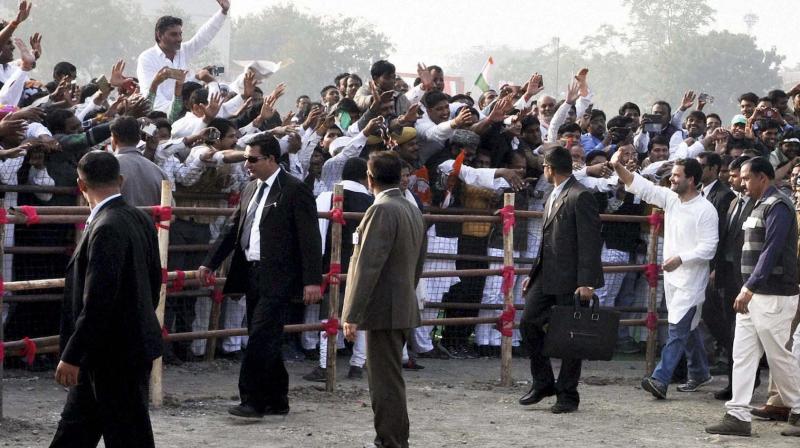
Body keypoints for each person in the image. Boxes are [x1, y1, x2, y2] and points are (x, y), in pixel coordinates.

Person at [199, 134, 322, 419]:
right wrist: (209, 263)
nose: (247, 165)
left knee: (260, 338)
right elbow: (233, 230)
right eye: (245, 158)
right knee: (265, 336)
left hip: (280, 276)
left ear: (271, 158)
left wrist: (312, 280)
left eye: (252, 159)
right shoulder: (250, 189)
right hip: (252, 273)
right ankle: (277, 399)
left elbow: (309, 238)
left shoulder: (294, 189)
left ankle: (252, 400)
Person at [50, 151, 163, 447]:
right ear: (121, 180)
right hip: (120, 347)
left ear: (80, 185)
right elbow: (153, 283)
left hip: (110, 353)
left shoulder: (106, 226)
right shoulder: (140, 218)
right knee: (76, 431)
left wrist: (73, 354)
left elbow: (99, 300)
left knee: (125, 435)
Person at [610, 152, 718, 399]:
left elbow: (709, 247)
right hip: (672, 279)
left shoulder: (706, 210)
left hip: (691, 280)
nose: (671, 179)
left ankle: (660, 379)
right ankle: (700, 372)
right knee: (686, 327)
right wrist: (617, 166)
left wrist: (681, 258)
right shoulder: (671, 199)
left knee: (677, 329)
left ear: (691, 180)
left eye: (677, 176)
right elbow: (643, 187)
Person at [706, 157, 800, 437]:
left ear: (763, 177)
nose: (742, 183)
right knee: (743, 354)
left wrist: (750, 287)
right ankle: (737, 414)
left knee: (778, 356)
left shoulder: (779, 205)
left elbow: (771, 250)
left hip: (772, 293)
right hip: (753, 293)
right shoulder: (758, 205)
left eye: (746, 178)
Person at [341, 151, 426, 448]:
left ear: (370, 178)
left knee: (384, 383)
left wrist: (351, 313)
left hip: (383, 309)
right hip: (400, 304)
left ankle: (389, 442)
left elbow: (367, 266)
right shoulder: (409, 207)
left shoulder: (382, 209)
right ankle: (393, 439)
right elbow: (418, 263)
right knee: (390, 380)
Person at [518, 145, 604, 414]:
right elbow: (547, 242)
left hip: (572, 280)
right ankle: (543, 382)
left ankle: (568, 394)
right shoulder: (554, 195)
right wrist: (533, 275)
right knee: (528, 323)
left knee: (571, 337)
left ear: (549, 169)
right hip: (546, 276)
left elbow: (590, 242)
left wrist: (587, 282)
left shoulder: (581, 196)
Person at [136, 0, 230, 112]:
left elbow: (203, 37)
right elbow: (151, 94)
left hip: (188, 110)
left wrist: (223, 12)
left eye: (180, 34)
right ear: (159, 35)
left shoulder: (183, 51)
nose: (179, 39)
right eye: (174, 34)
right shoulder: (147, 58)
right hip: (162, 116)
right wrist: (176, 111)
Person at [111, 116, 170, 206]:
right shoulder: (161, 173)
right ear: (139, 138)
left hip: (113, 220)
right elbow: (169, 211)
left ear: (114, 138)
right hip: (149, 220)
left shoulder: (106, 167)